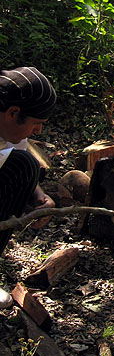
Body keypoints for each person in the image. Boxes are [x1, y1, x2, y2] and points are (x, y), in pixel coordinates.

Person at [0, 67, 57, 255]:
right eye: (36, 124)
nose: (39, 131)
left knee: (26, 166)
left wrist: (38, 196)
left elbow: (15, 157)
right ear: (12, 113)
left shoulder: (8, 128)